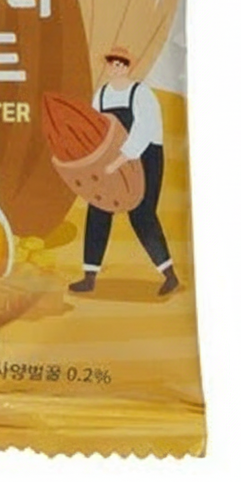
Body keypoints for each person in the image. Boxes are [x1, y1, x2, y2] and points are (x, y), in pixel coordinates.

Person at [69, 47, 179, 296]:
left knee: (142, 214)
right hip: (111, 159)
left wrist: (119, 161)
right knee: (98, 208)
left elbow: (143, 132)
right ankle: (89, 276)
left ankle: (169, 274)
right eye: (112, 63)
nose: (116, 68)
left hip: (145, 156)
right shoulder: (101, 95)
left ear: (129, 67)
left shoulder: (142, 93)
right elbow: (95, 130)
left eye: (121, 64)